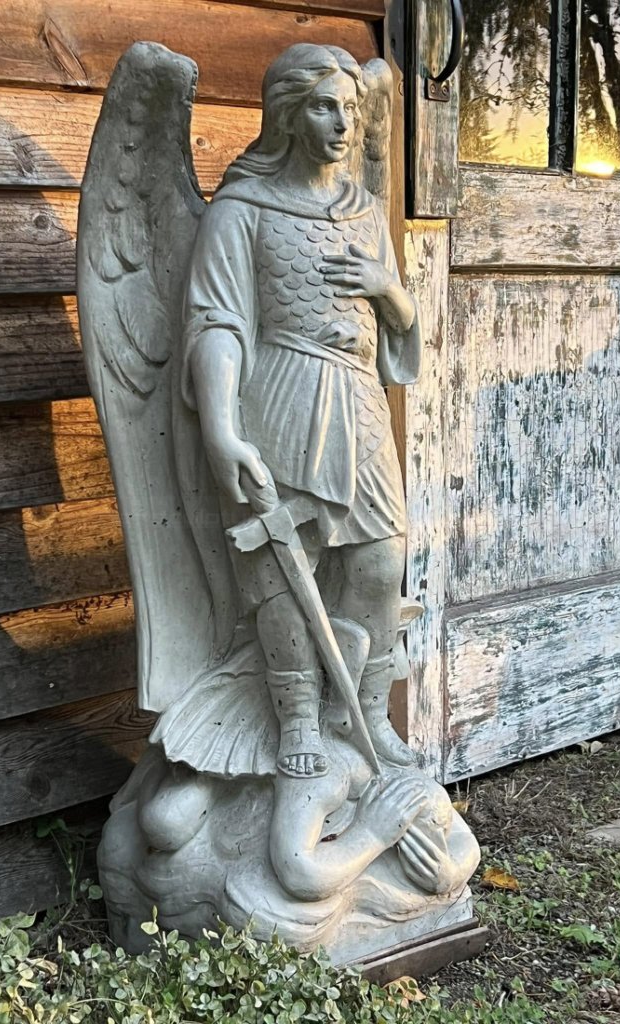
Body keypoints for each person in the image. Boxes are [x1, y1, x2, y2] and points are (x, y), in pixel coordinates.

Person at [181, 43, 422, 779]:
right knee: (287, 566)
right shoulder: (243, 210)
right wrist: (222, 428)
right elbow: (216, 322)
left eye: (350, 108)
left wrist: (387, 287)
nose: (343, 124)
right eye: (324, 106)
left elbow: (402, 327)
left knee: (382, 560)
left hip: (356, 397)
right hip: (283, 394)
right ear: (288, 115)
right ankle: (294, 721)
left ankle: (368, 714)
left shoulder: (365, 209)